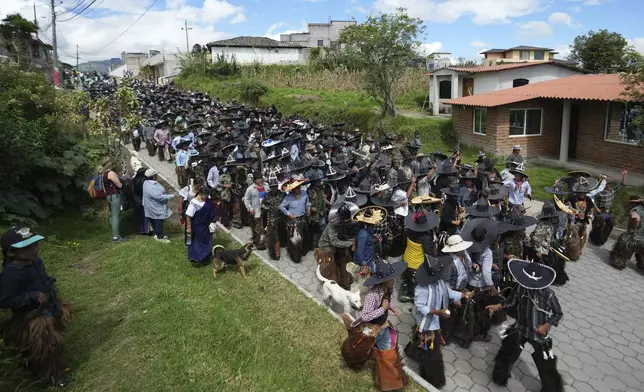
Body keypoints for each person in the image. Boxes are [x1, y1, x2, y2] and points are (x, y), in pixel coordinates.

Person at [0, 226, 73, 387]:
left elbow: (43, 277)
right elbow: (4, 300)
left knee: (56, 340)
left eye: (35, 244)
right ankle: (52, 376)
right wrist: (30, 296)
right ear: (12, 252)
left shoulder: (36, 262)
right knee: (45, 347)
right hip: (33, 317)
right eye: (28, 247)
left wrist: (49, 283)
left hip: (50, 306)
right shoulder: (10, 274)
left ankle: (56, 366)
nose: (34, 249)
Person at [487, 259, 564, 392]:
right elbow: (511, 301)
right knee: (507, 353)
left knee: (546, 363)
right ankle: (499, 377)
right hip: (520, 328)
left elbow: (558, 314)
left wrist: (546, 325)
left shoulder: (548, 294)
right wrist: (498, 306)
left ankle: (551, 389)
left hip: (539, 334)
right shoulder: (521, 287)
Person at [405, 255, 471, 388]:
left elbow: (447, 292)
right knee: (432, 352)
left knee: (420, 341)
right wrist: (438, 312)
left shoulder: (439, 282)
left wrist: (462, 295)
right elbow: (421, 307)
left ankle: (412, 352)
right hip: (426, 323)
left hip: (434, 322)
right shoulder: (421, 289)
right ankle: (433, 379)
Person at [350, 259, 408, 392]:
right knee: (361, 352)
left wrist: (391, 307)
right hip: (371, 329)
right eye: (390, 278)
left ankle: (389, 383)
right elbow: (365, 316)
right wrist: (382, 309)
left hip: (383, 327)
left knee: (388, 353)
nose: (394, 280)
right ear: (382, 280)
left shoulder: (388, 288)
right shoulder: (372, 295)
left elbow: (387, 301)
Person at [318, 202, 358, 290]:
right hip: (326, 247)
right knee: (330, 267)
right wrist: (349, 243)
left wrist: (351, 240)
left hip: (338, 246)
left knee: (345, 261)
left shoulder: (344, 223)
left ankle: (345, 282)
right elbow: (334, 242)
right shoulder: (332, 225)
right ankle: (332, 287)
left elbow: (344, 235)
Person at [401, 209, 439, 303]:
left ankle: (407, 285)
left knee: (409, 276)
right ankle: (411, 295)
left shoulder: (409, 231)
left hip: (407, 257)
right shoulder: (425, 238)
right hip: (416, 263)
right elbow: (429, 254)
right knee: (416, 281)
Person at [279, 179, 310, 263]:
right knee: (294, 240)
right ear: (292, 189)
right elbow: (281, 207)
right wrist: (288, 214)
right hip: (293, 222)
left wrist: (308, 208)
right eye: (296, 188)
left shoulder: (304, 193)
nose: (298, 189)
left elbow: (307, 202)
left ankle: (302, 251)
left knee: (302, 237)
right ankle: (295, 256)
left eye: (298, 187)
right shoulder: (288, 197)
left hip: (302, 219)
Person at [610, 196, 644, 270]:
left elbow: (636, 220)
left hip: (635, 238)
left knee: (624, 240)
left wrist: (632, 230)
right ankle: (642, 264)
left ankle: (619, 262)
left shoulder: (636, 210)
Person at [185, 186, 217, 266]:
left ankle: (206, 256)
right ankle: (197, 258)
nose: (206, 197)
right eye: (205, 196)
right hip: (197, 226)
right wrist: (189, 227)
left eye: (207, 196)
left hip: (206, 224)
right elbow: (188, 216)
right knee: (197, 242)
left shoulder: (207, 199)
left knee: (207, 240)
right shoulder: (194, 203)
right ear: (200, 194)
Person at [142, 169, 175, 243]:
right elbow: (159, 196)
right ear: (153, 176)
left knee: (155, 220)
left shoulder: (146, 183)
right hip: (155, 206)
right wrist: (171, 196)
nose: (157, 176)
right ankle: (160, 237)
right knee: (159, 220)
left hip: (152, 205)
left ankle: (158, 234)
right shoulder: (151, 186)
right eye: (156, 175)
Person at [354, 206, 387, 274]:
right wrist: (364, 266)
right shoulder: (363, 234)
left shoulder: (369, 231)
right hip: (364, 263)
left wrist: (375, 238)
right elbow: (360, 251)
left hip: (370, 259)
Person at [262, 174, 285, 260]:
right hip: (272, 219)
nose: (274, 188)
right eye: (272, 187)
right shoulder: (267, 195)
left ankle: (283, 244)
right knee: (274, 237)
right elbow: (262, 205)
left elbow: (287, 203)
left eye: (275, 186)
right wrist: (268, 208)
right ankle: (276, 254)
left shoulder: (282, 194)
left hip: (282, 218)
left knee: (283, 233)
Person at [243, 172, 267, 250]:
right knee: (258, 227)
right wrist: (250, 208)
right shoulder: (250, 188)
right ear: (255, 180)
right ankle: (258, 244)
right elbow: (246, 199)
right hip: (256, 210)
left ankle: (265, 240)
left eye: (261, 178)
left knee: (266, 226)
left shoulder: (266, 186)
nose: (260, 180)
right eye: (258, 179)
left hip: (266, 210)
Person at [104, 170, 128, 242]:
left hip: (108, 196)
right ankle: (116, 237)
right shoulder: (110, 173)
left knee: (112, 215)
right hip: (114, 196)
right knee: (115, 216)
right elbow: (119, 185)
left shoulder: (103, 175)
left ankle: (114, 234)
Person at [132, 167, 151, 235]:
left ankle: (140, 230)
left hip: (136, 199)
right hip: (144, 199)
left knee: (138, 215)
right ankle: (146, 230)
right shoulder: (145, 181)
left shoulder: (134, 180)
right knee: (145, 215)